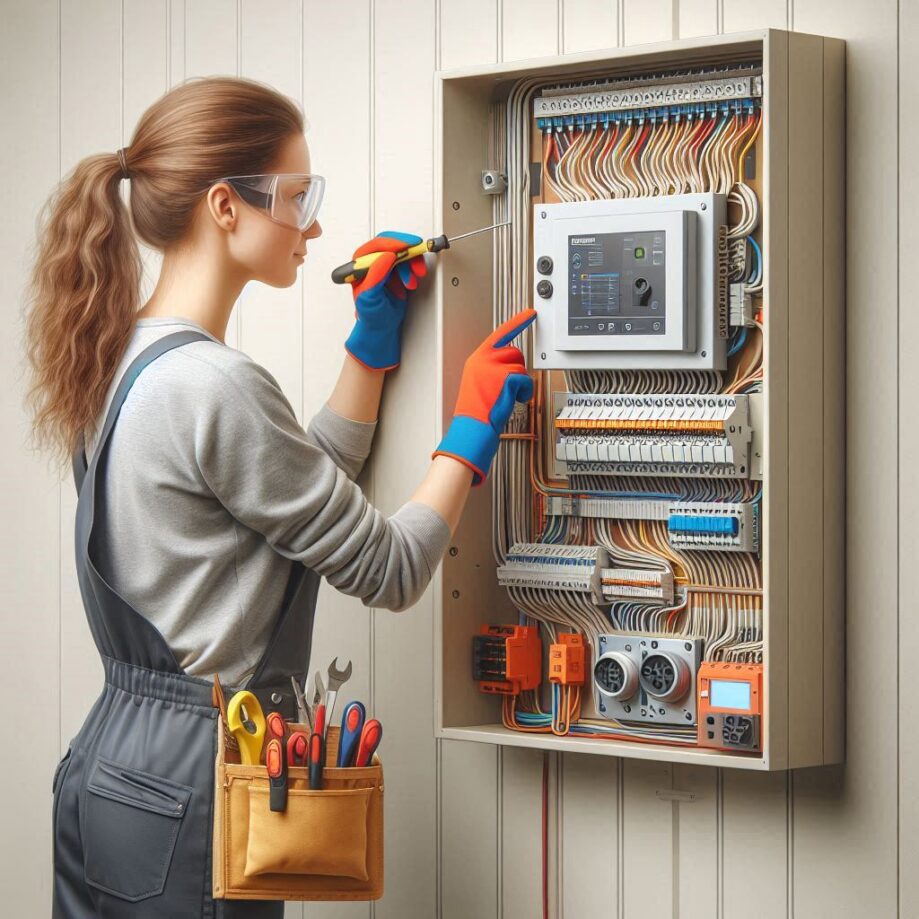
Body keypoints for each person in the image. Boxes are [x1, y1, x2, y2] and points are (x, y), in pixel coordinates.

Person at [26, 76, 534, 917]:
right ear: (226, 206)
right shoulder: (217, 382)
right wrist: (470, 430)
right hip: (198, 777)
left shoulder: (121, 356)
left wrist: (369, 349)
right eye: (298, 197)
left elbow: (291, 495)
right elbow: (392, 568)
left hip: (111, 768)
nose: (316, 225)